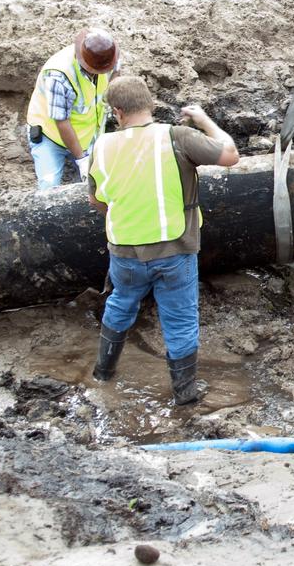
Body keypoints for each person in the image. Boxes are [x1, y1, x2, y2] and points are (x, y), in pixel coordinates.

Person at [86, 77, 239, 405]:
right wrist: (203, 119)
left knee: (120, 303)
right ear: (151, 105)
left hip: (124, 250)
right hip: (174, 249)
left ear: (118, 112)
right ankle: (185, 394)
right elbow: (230, 154)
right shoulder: (176, 136)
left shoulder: (103, 146)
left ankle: (102, 373)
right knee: (180, 318)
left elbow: (97, 200)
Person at [25, 28, 119, 190]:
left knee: (102, 185)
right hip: (51, 136)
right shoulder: (59, 76)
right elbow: (61, 122)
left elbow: (114, 76)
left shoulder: (107, 54)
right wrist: (81, 160)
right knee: (49, 187)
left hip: (89, 132)